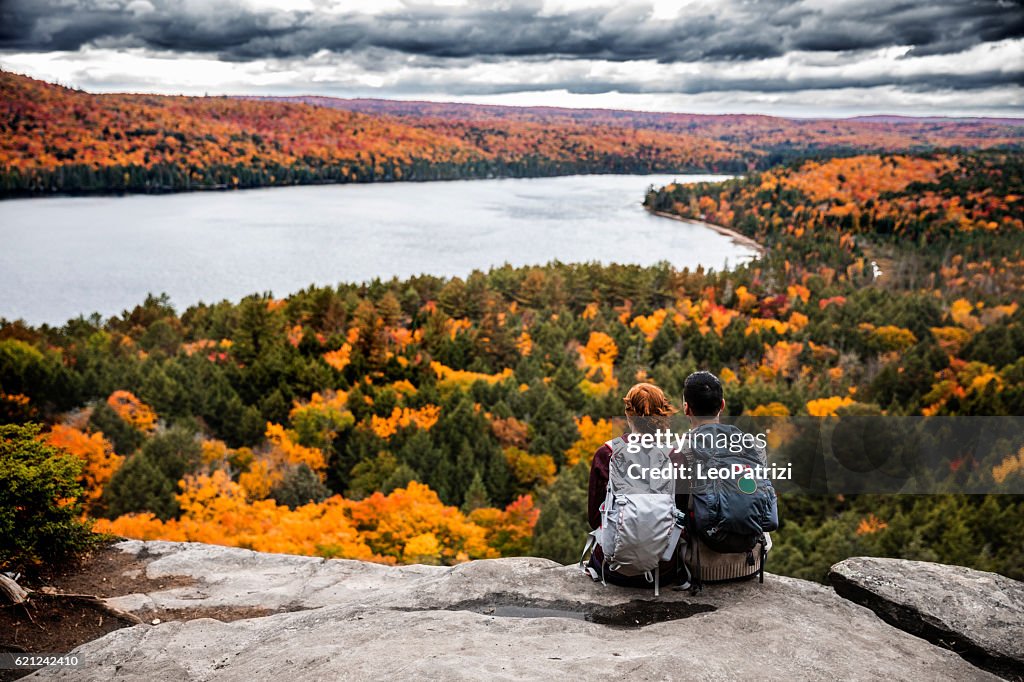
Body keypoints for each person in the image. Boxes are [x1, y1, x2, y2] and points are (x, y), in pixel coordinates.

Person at [585, 382, 681, 587]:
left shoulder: (607, 453)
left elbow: (595, 519)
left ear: (628, 415)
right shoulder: (675, 457)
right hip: (662, 569)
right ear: (662, 415)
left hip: (613, 569)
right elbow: (680, 518)